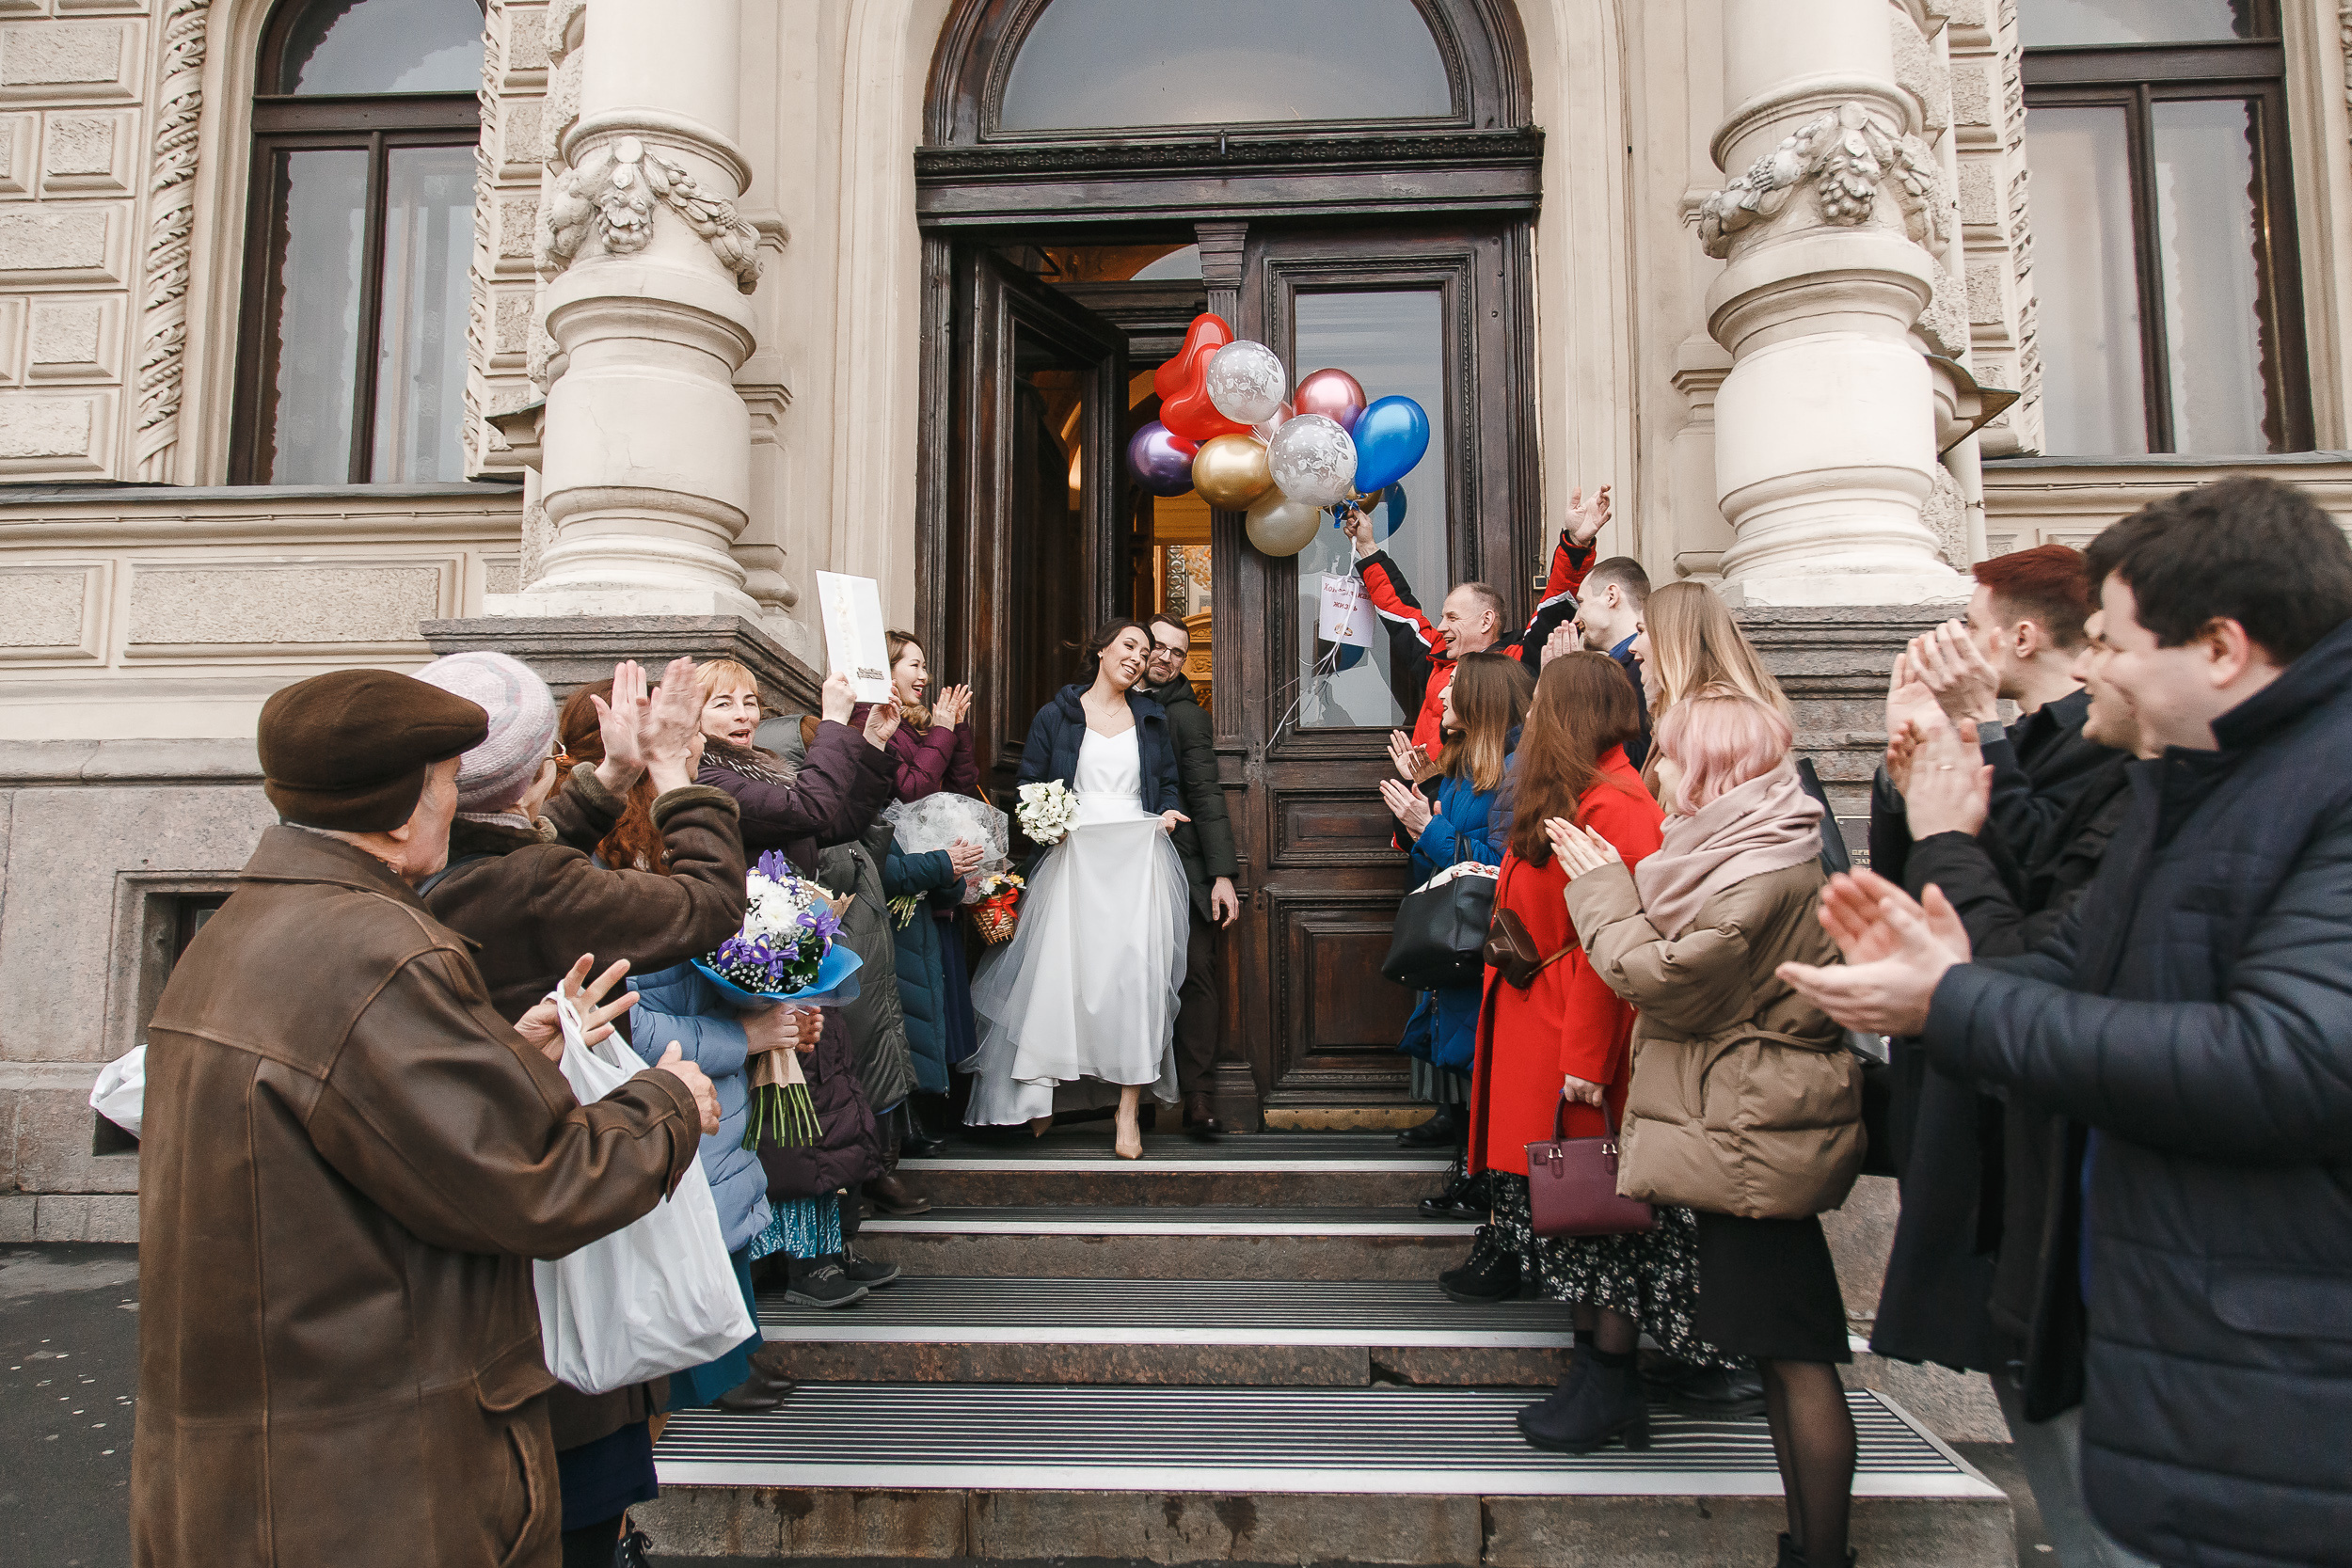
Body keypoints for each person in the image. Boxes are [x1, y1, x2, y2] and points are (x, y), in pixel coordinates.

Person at [1780, 475, 2352, 1568]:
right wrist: (1938, 950)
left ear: (2221, 647)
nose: (2096, 664)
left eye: (2118, 641)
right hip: (2167, 1340)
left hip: (2276, 1382)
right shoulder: (2194, 785)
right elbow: (2057, 970)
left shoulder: (2314, 784)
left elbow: (2289, 1060)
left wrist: (1952, 986)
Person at [135, 668, 719, 1568]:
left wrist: (519, 1056)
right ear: (406, 814)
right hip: (366, 1471)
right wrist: (668, 1101)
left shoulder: (244, 927)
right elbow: (536, 1182)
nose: (463, 800)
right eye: (450, 781)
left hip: (261, 1456)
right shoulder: (381, 954)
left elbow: (378, 1123)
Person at [411, 651, 752, 1567]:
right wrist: (677, 768)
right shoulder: (522, 885)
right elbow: (710, 903)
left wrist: (607, 777)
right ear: (531, 773)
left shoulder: (425, 865)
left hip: (438, 1252)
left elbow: (513, 853)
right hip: (542, 1228)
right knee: (568, 1495)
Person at [1552, 690, 1865, 1568]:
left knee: (1796, 1355)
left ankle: (1820, 1553)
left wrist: (1602, 891)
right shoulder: (1745, 850)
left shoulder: (1761, 872)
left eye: (1679, 755)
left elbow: (1666, 976)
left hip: (1755, 1131)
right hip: (1743, 1124)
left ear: (1717, 766)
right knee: (1780, 1353)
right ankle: (1809, 1546)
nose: (1663, 770)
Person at [549, 681, 818, 1418]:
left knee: (718, 1210)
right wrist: (747, 1035)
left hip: (709, 1091)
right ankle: (701, 1377)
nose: (694, 757)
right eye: (675, 748)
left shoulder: (668, 849)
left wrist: (773, 992)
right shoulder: (600, 873)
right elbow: (624, 1021)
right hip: (667, 1086)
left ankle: (727, 1355)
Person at [697, 662, 899, 1306]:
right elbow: (809, 805)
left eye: (751, 700)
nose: (743, 712)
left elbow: (832, 820)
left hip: (796, 945)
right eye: (723, 701)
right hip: (754, 960)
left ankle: (828, 1244)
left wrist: (869, 746)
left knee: (824, 1100)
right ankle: (794, 1259)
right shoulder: (705, 775)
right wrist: (836, 722)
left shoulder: (761, 765)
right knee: (788, 1110)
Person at [964, 620, 1190, 1158]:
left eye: (1147, 651)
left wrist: (1170, 812)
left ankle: (1128, 1109)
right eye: (1129, 646)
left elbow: (1170, 783)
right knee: (1060, 975)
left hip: (1137, 859)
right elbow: (1029, 783)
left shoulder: (1152, 718)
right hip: (1075, 855)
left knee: (1135, 976)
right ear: (1102, 651)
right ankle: (1040, 1101)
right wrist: (1047, 819)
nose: (1139, 657)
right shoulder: (1057, 714)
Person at [1869, 545, 2114, 889]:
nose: (1962, 640)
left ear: (2023, 638)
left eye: (1972, 626)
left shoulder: (2101, 737)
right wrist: (1914, 747)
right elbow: (1905, 877)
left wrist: (1978, 717)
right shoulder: (2010, 736)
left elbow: (2031, 864)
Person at [1380, 650, 1533, 1196]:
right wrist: (1423, 815)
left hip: (1487, 944)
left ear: (1481, 700)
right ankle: (1475, 1172)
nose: (1441, 696)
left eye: (1453, 688)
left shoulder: (1516, 771)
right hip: (1456, 943)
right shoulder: (1459, 766)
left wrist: (1430, 828)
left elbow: (1502, 868)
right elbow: (1436, 862)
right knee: (1465, 1057)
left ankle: (1488, 1183)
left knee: (1486, 1063)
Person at [1345, 486, 1613, 751]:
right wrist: (1367, 547)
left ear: (1486, 621)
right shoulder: (1437, 654)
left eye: (1452, 617)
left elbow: (1554, 605)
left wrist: (1576, 544)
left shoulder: (1516, 660)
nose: (1441, 627)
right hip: (1425, 789)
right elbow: (1399, 609)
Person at [858, 628, 985, 1153]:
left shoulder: (918, 726)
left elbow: (960, 784)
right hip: (904, 883)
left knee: (935, 1002)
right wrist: (940, 728)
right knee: (909, 1004)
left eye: (924, 665)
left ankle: (933, 1110)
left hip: (936, 885)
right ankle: (909, 1119)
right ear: (884, 672)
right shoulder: (873, 728)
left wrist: (954, 731)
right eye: (912, 665)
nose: (924, 676)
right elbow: (911, 791)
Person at [1139, 611, 1243, 1138]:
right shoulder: (1099, 702)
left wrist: (1222, 874)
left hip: (1183, 866)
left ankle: (1198, 1096)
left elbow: (1205, 793)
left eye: (1178, 653)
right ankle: (1128, 1099)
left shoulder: (1187, 715)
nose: (1166, 658)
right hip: (1117, 863)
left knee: (1196, 975)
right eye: (1159, 645)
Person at [1546, 554, 1652, 768]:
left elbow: (1638, 757)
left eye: (1581, 602)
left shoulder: (1643, 666)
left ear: (1611, 596)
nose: (1576, 618)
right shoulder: (1623, 667)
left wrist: (1574, 684)